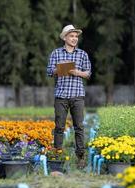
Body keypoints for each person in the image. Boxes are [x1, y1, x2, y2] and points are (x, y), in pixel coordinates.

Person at [46, 24, 92, 169]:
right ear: (65, 38)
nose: (74, 39)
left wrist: (76, 72)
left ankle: (80, 158)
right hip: (61, 96)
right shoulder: (56, 53)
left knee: (79, 127)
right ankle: (57, 156)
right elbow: (49, 71)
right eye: (71, 36)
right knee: (59, 127)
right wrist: (62, 69)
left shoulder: (82, 54)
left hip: (77, 96)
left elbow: (88, 73)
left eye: (76, 36)